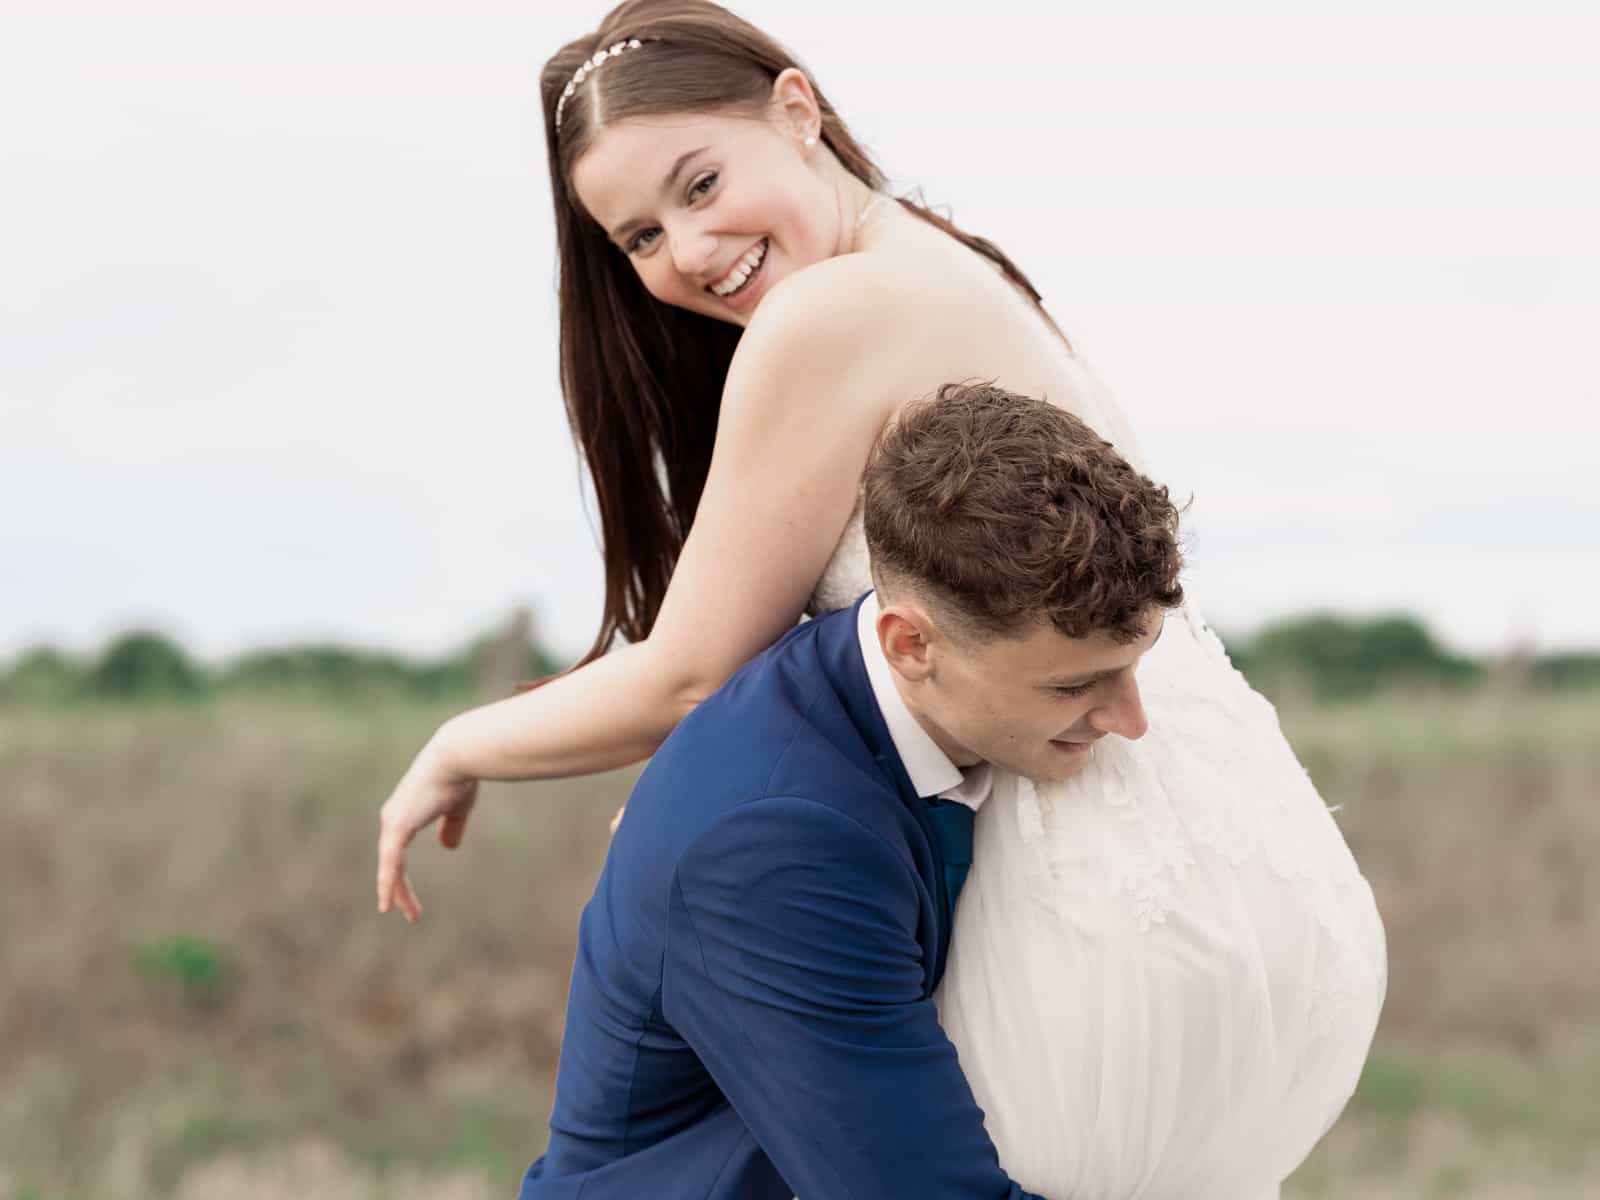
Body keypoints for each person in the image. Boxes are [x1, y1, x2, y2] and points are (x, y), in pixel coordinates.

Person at [375, 2, 1387, 1194]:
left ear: (795, 110)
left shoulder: (830, 312)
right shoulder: (949, 261)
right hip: (1242, 861)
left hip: (1079, 869)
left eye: (700, 184)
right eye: (638, 237)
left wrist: (460, 743)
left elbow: (689, 669)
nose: (687, 251)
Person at [520, 383, 1179, 1199]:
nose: (1131, 720)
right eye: (1075, 686)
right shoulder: (778, 847)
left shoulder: (878, 683)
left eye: (1136, 665)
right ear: (910, 645)